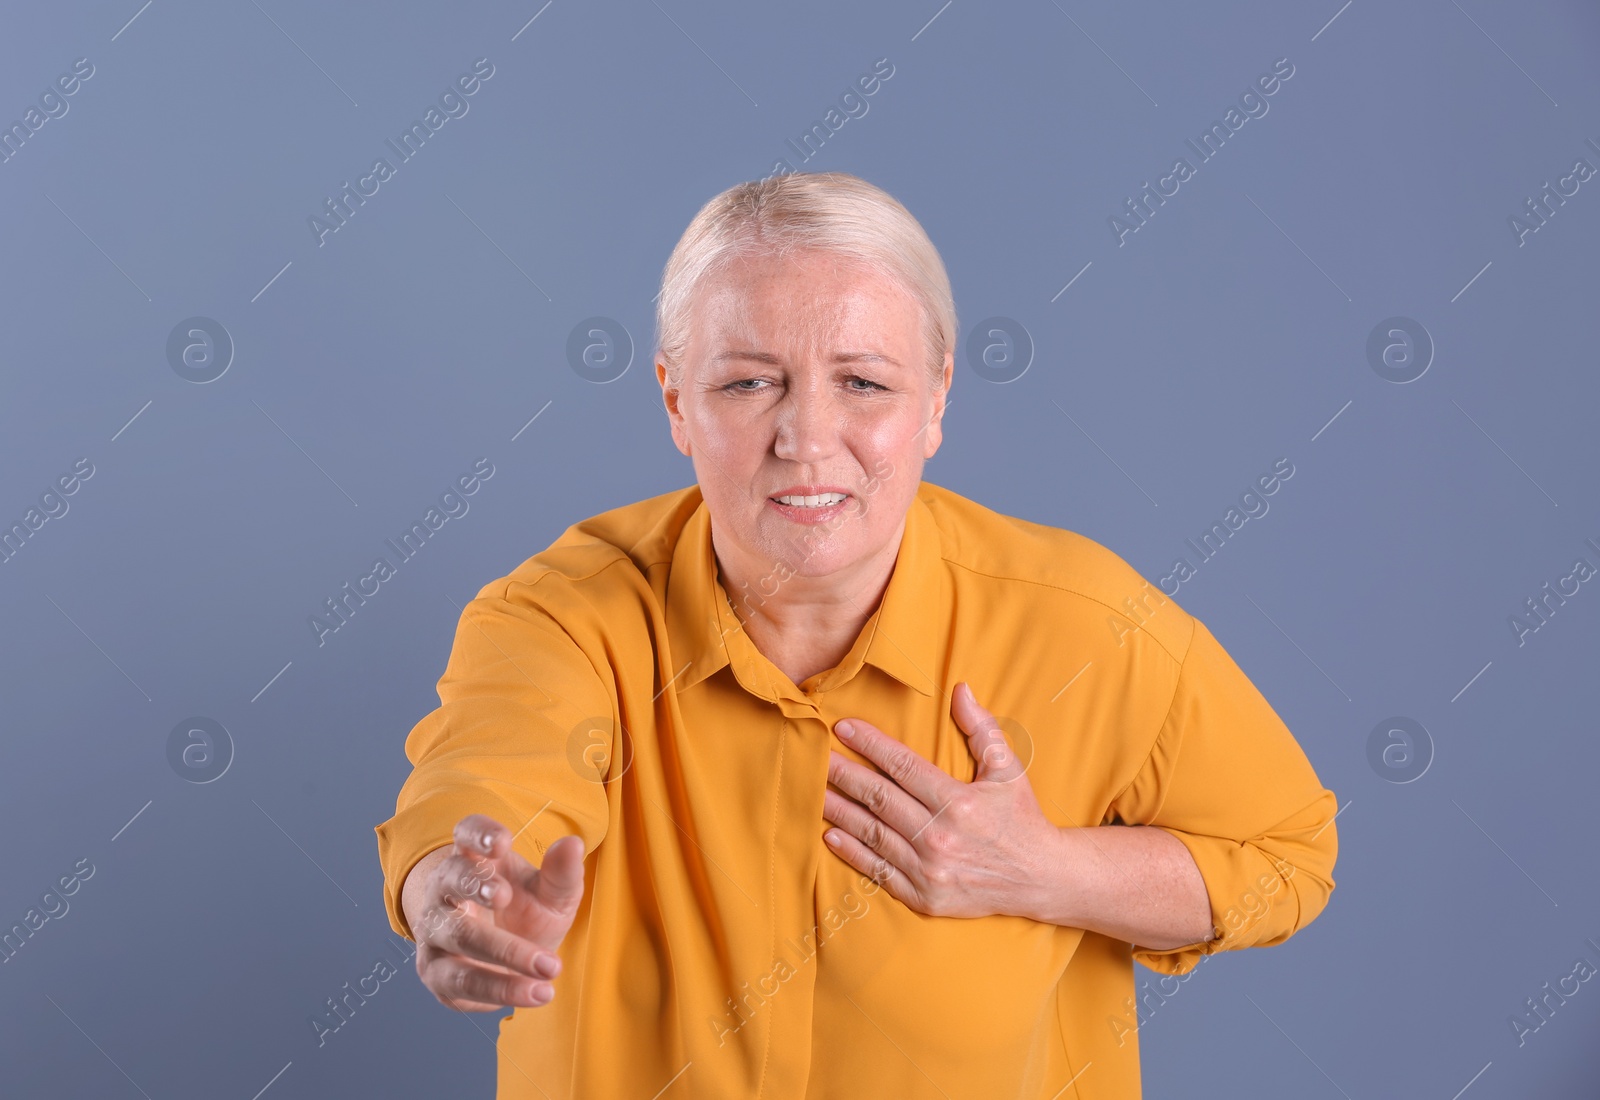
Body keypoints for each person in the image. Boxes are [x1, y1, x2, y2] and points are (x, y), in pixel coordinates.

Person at [374, 171, 1339, 1099]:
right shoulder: (561, 616)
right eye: (750, 383)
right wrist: (461, 904)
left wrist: (1045, 871)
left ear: (938, 399)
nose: (807, 435)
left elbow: (1287, 857)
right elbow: (478, 794)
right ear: (676, 402)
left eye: (865, 383)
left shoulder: (1091, 623)